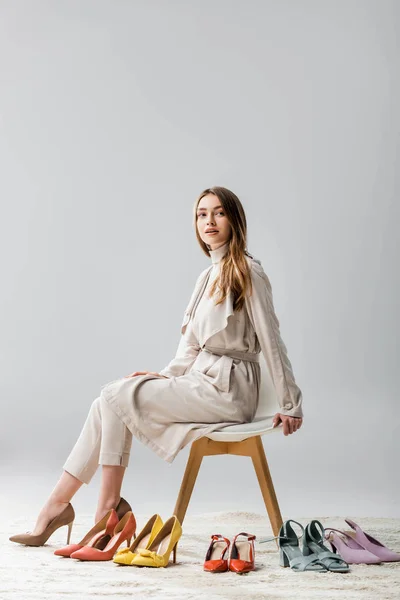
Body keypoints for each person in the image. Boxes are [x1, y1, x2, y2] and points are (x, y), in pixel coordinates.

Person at [9, 186, 303, 547]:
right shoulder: (206, 277)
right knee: (108, 401)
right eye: (201, 214)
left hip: (230, 391)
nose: (209, 221)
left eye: (218, 213)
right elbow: (191, 347)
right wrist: (161, 377)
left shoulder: (248, 271)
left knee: (112, 395)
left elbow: (272, 340)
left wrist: (290, 402)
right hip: (200, 382)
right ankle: (80, 508)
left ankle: (87, 513)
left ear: (234, 219)